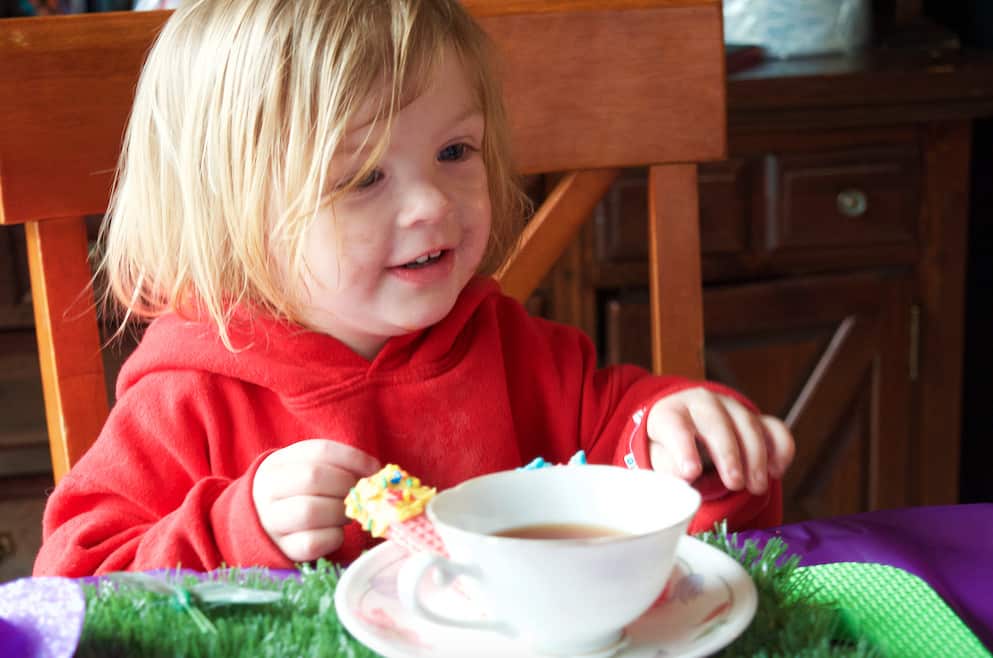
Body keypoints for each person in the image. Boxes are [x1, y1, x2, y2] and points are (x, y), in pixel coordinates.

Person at [34, 0, 794, 577]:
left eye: (454, 150)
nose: (431, 202)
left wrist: (690, 448)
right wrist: (236, 529)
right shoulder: (188, 402)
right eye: (363, 177)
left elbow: (640, 478)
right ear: (231, 213)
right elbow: (74, 588)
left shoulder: (512, 349)